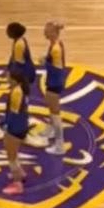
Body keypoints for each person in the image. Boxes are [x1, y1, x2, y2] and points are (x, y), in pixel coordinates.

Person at [0, 68, 31, 196]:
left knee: (11, 156)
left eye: (8, 77)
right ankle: (20, 173)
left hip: (16, 127)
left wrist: (5, 124)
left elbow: (14, 113)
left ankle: (17, 184)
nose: (6, 79)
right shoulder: (20, 89)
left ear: (14, 79)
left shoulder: (16, 92)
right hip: (21, 125)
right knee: (13, 153)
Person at [41, 21, 67, 156]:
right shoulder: (55, 44)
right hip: (54, 79)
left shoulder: (56, 49)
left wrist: (44, 63)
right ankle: (50, 130)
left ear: (53, 33)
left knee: (55, 113)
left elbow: (56, 68)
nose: (44, 33)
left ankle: (59, 145)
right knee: (50, 106)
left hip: (55, 81)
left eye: (46, 31)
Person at [5, 21, 37, 91]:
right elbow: (13, 57)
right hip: (26, 69)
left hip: (25, 72)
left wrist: (10, 75)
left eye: (8, 30)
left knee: (21, 92)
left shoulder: (19, 44)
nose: (6, 32)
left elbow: (19, 64)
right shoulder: (20, 39)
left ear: (13, 32)